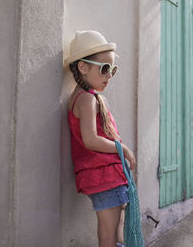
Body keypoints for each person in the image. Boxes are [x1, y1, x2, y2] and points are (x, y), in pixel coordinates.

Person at [64, 30, 136, 247]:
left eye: (112, 69)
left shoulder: (86, 97)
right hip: (102, 176)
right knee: (108, 235)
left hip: (106, 175)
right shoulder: (86, 100)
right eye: (104, 69)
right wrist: (122, 148)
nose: (109, 75)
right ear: (83, 67)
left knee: (115, 229)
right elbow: (91, 140)